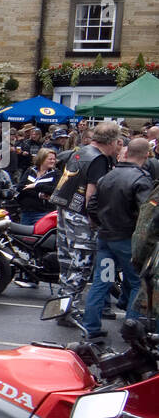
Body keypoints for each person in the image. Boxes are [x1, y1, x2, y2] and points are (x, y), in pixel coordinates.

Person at [51, 121, 122, 323]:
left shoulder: (81, 151)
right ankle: (68, 311)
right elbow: (92, 193)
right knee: (81, 265)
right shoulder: (99, 159)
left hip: (65, 210)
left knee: (66, 264)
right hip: (81, 216)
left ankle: (61, 308)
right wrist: (95, 221)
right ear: (114, 141)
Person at [82, 137, 152, 339]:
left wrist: (100, 223)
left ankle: (91, 327)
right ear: (146, 155)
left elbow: (92, 205)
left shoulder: (108, 176)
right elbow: (146, 214)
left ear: (127, 153)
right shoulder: (141, 179)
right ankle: (130, 332)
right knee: (138, 284)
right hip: (126, 239)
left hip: (106, 237)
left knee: (101, 282)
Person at [17, 149, 58, 224]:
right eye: (50, 159)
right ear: (41, 159)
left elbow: (55, 190)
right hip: (26, 211)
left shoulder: (56, 173)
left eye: (54, 159)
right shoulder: (30, 170)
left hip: (44, 212)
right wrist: (39, 194)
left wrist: (36, 185)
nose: (53, 161)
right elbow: (21, 187)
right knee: (24, 234)